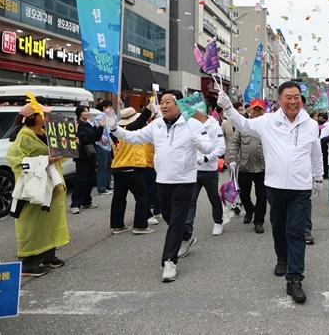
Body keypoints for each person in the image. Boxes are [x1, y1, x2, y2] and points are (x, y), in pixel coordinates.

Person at [217, 81, 323, 304]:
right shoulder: (268, 121)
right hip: (275, 185)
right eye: (288, 97)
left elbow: (315, 153)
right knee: (278, 225)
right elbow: (243, 125)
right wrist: (228, 107)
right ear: (280, 99)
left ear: (301, 100)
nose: (293, 101)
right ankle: (282, 258)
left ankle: (294, 279)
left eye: (296, 97)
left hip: (300, 188)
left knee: (296, 231)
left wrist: (317, 177)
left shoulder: (311, 124)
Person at [108, 90, 217, 282]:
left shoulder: (192, 123)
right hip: (163, 181)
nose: (164, 106)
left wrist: (198, 140)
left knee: (175, 221)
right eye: (162, 102)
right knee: (168, 216)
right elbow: (135, 137)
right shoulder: (156, 125)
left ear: (178, 104)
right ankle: (187, 235)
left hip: (185, 181)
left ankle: (169, 261)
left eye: (168, 102)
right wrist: (114, 129)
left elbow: (209, 147)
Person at [7, 100, 69, 277]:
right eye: (43, 114)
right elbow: (16, 161)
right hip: (34, 188)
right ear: (33, 117)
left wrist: (67, 147)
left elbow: (58, 156)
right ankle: (29, 263)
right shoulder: (24, 136)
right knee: (32, 224)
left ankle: (48, 255)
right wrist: (46, 160)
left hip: (51, 184)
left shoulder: (44, 132)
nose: (46, 116)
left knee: (50, 222)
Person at [179, 105, 226, 257]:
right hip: (192, 170)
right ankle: (187, 233)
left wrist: (206, 158)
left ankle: (218, 221)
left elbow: (220, 148)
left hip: (209, 170)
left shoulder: (214, 125)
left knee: (213, 198)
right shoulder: (188, 124)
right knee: (190, 201)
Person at [110, 106, 156, 235]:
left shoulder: (113, 132)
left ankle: (117, 225)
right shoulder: (129, 129)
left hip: (118, 167)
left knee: (118, 198)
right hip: (132, 166)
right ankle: (140, 226)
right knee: (142, 196)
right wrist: (148, 108)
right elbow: (141, 121)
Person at [227, 99, 267, 234]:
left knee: (262, 196)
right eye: (254, 109)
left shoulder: (268, 126)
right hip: (244, 166)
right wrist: (232, 159)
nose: (256, 112)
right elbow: (234, 143)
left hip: (262, 167)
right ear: (250, 110)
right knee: (243, 194)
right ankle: (249, 211)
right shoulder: (243, 126)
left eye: (259, 109)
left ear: (263, 111)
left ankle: (259, 221)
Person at [70, 105, 105, 214]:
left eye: (88, 111)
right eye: (86, 111)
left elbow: (96, 137)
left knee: (90, 179)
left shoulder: (88, 124)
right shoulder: (77, 125)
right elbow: (84, 138)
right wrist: (95, 131)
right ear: (80, 113)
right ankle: (75, 204)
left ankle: (86, 201)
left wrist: (100, 127)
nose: (88, 113)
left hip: (91, 155)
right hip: (82, 156)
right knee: (81, 180)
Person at [95, 100, 114, 195]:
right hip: (102, 145)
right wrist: (101, 136)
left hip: (109, 146)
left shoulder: (110, 118)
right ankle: (101, 188)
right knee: (102, 167)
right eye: (109, 107)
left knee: (109, 167)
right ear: (104, 108)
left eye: (111, 107)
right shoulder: (99, 117)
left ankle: (107, 186)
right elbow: (95, 128)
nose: (111, 109)